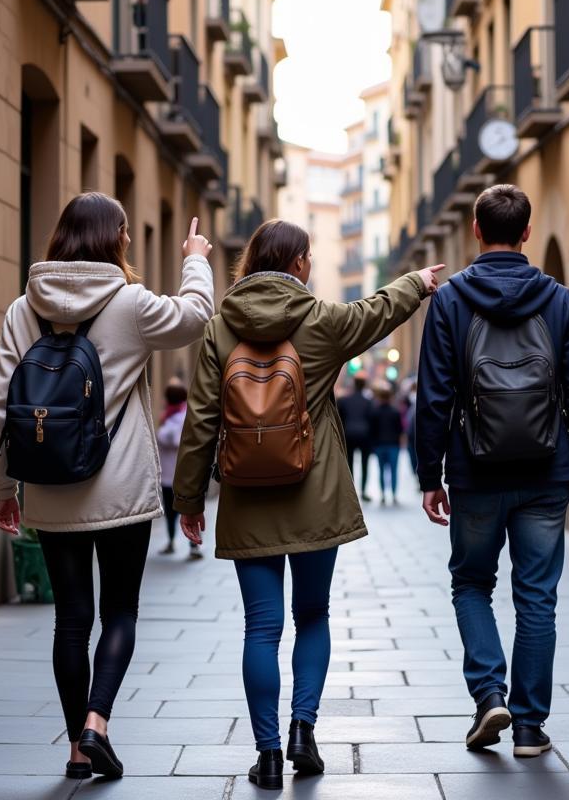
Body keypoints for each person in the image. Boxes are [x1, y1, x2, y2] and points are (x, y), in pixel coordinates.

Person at [171, 219, 442, 791]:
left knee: (261, 627)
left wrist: (189, 499)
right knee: (312, 616)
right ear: (296, 264)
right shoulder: (320, 322)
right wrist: (416, 281)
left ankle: (267, 755)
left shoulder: (221, 328)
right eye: (310, 258)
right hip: (315, 495)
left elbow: (200, 420)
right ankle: (303, 729)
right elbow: (376, 311)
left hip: (247, 497)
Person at [0, 193, 214, 781]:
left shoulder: (22, 309)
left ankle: (77, 752)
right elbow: (195, 317)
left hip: (52, 491)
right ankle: (97, 723)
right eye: (127, 233)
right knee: (120, 613)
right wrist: (194, 258)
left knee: (70, 620)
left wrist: (3, 487)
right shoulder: (130, 303)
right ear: (114, 239)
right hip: (123, 492)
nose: (131, 241)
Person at [416, 184, 569, 759]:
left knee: (472, 583)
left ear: (475, 229)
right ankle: (528, 727)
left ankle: (489, 692)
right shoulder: (561, 302)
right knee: (536, 597)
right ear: (527, 232)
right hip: (547, 474)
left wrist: (430, 474)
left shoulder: (450, 301)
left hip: (474, 473)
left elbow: (434, 395)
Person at [157, 378, 202, 560]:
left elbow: (175, 439)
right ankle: (172, 541)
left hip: (182, 474)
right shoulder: (171, 415)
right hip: (172, 473)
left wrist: (164, 434)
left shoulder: (182, 416)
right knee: (172, 511)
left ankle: (194, 546)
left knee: (189, 510)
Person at [337, 373, 375, 500]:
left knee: (349, 464)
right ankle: (363, 491)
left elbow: (340, 418)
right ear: (364, 385)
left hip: (349, 434)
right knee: (365, 464)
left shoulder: (344, 400)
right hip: (365, 435)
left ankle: (351, 491)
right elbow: (372, 419)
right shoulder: (368, 402)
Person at [370, 383, 403, 505]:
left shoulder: (375, 412)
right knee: (393, 470)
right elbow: (400, 429)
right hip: (393, 445)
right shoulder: (395, 411)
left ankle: (383, 494)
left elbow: (372, 430)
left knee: (381, 470)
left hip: (379, 445)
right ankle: (394, 494)